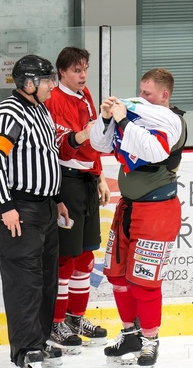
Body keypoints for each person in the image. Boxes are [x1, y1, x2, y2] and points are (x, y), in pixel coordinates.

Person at [89, 68, 187, 367]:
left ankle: (150, 339)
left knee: (144, 282)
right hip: (128, 208)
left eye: (147, 94)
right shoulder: (138, 116)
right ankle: (130, 333)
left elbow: (153, 151)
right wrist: (106, 118)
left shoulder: (172, 123)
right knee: (117, 275)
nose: (140, 99)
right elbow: (101, 145)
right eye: (140, 92)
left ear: (164, 95)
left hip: (157, 211)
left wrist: (123, 117)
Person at [0, 54, 68, 368]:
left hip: (43, 208)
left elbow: (45, 158)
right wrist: (6, 206)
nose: (52, 86)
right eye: (47, 80)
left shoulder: (40, 110)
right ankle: (26, 350)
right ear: (29, 83)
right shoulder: (9, 113)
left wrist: (56, 198)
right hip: (19, 209)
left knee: (46, 279)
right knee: (24, 281)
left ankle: (39, 342)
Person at [43, 47, 110, 353]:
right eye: (76, 70)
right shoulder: (53, 100)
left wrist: (99, 175)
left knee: (85, 255)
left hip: (85, 182)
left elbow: (93, 143)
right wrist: (83, 135)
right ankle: (55, 322)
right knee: (65, 258)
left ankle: (75, 317)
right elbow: (61, 147)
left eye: (85, 69)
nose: (83, 75)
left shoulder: (85, 96)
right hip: (65, 182)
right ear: (62, 73)